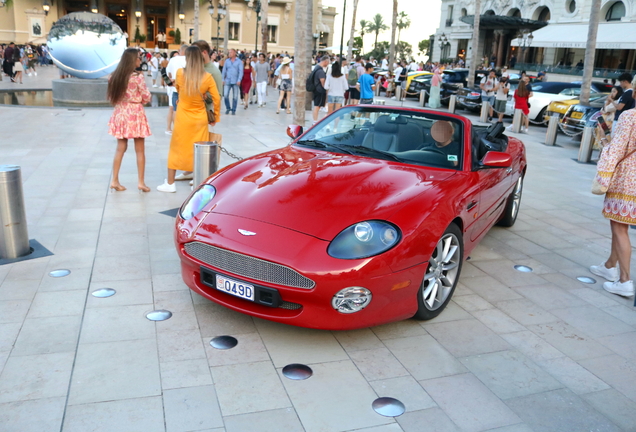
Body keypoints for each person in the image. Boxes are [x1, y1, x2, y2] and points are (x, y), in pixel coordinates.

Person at [157, 46, 221, 193]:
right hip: (200, 118)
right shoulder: (207, 77)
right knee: (198, 150)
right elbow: (216, 98)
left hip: (183, 117)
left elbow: (179, 90)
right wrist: (215, 116)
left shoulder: (180, 73)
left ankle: (170, 184)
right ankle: (198, 180)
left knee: (176, 148)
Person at [590, 109, 636, 297]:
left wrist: (603, 139)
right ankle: (610, 265)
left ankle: (625, 280)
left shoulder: (630, 116)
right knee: (620, 224)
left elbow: (616, 150)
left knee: (619, 226)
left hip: (628, 177)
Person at [106, 48, 152, 193]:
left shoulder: (115, 76)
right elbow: (147, 97)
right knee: (140, 150)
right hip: (135, 112)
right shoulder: (137, 77)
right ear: (132, 60)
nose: (140, 60)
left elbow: (111, 97)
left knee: (120, 148)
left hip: (121, 111)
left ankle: (114, 180)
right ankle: (141, 182)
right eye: (138, 58)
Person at [165, 45, 188, 135]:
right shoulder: (190, 60)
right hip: (186, 88)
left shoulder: (173, 60)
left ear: (181, 51)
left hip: (174, 87)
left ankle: (175, 129)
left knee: (174, 109)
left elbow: (168, 73)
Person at [222, 48, 243, 115]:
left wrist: (239, 80)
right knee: (225, 95)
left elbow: (241, 72)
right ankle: (228, 108)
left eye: (230, 52)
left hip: (235, 81)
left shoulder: (239, 61)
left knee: (235, 96)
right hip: (227, 80)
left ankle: (234, 109)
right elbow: (224, 71)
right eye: (229, 53)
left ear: (234, 53)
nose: (229, 54)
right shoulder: (227, 61)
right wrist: (222, 79)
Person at [311, 55, 330, 123]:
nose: (328, 64)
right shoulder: (321, 71)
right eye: (328, 62)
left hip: (316, 90)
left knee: (317, 105)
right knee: (317, 106)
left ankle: (315, 120)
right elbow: (323, 82)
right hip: (319, 91)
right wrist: (327, 88)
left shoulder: (316, 68)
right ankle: (315, 121)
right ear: (325, 62)